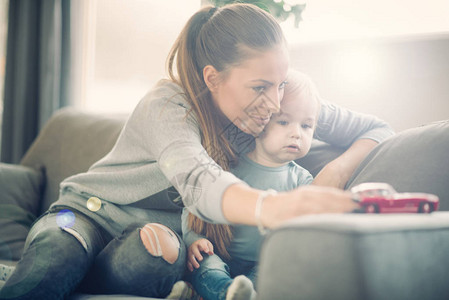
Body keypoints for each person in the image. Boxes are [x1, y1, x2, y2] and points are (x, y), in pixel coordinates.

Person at [0, 3, 393, 300]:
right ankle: (52, 263)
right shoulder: (169, 104)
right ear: (213, 78)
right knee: (59, 252)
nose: (275, 103)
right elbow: (198, 180)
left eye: (280, 84)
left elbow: (377, 128)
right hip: (86, 215)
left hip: (151, 238)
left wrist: (335, 174)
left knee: (158, 258)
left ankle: (74, 275)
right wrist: (273, 207)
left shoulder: (280, 99)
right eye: (260, 87)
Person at [180, 70, 320, 300]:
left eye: (306, 126)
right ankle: (225, 292)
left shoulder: (302, 181)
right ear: (259, 123)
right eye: (284, 122)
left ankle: (221, 295)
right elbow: (193, 203)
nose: (296, 134)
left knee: (268, 276)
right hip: (218, 253)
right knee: (205, 266)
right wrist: (193, 239)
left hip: (264, 263)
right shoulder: (229, 168)